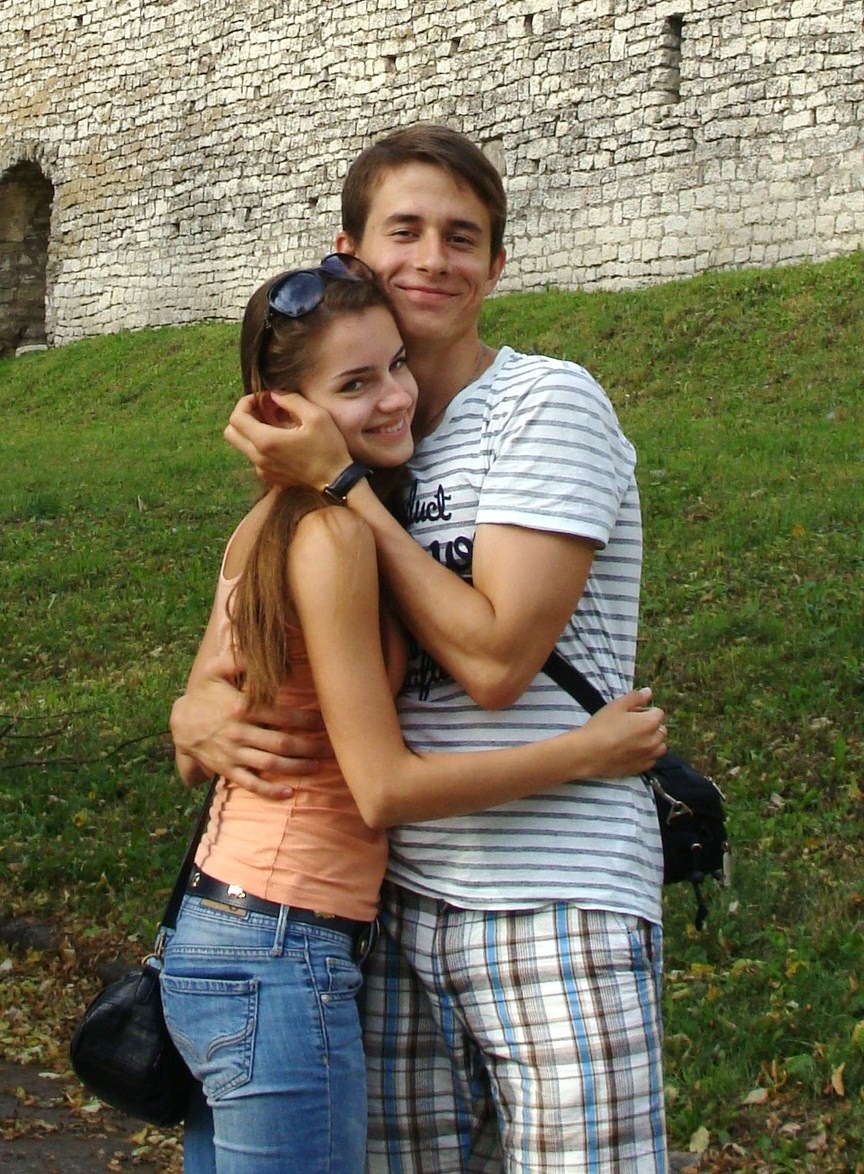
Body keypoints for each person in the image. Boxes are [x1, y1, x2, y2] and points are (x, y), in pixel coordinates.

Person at [163, 253, 668, 1174]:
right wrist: (584, 752)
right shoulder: (333, 533)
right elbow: (383, 790)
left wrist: (191, 715)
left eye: (396, 364)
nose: (397, 396)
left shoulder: (269, 520)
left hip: (230, 928)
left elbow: (202, 721)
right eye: (355, 384)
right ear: (286, 409)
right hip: (283, 939)